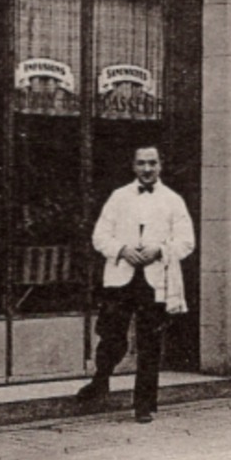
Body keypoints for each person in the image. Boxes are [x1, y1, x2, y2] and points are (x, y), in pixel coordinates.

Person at [76, 145, 195, 423]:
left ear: (160, 165)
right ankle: (101, 379)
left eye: (152, 163)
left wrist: (161, 250)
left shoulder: (173, 200)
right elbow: (100, 237)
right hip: (121, 279)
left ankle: (144, 405)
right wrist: (121, 249)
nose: (147, 169)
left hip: (154, 283)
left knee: (150, 343)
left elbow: (187, 241)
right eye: (141, 163)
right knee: (111, 336)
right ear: (133, 166)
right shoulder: (119, 197)